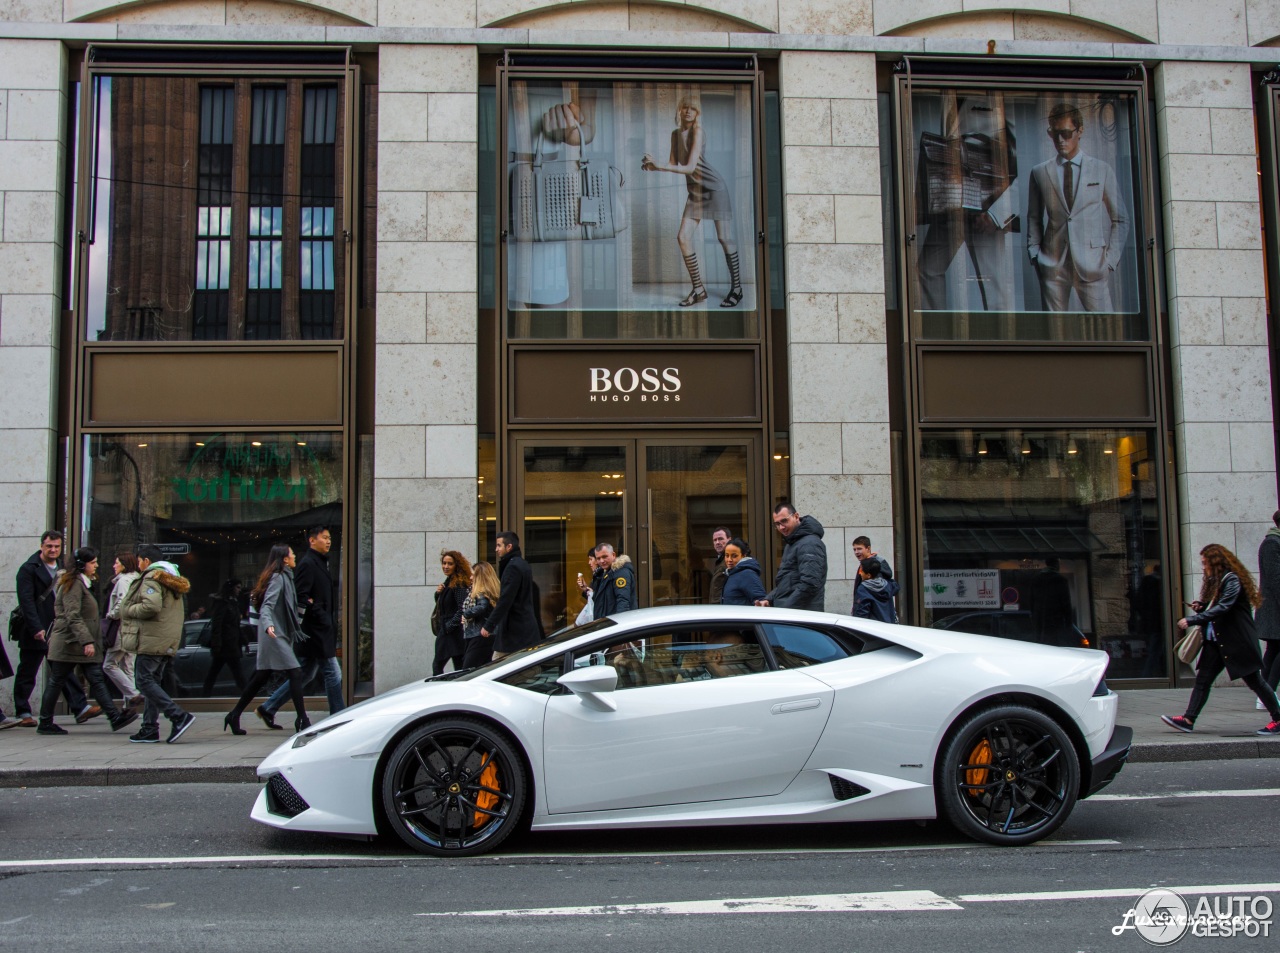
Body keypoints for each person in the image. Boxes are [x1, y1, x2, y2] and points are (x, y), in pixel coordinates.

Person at [1161, 544, 1280, 736]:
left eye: (1204, 563)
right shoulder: (1219, 581)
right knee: (1203, 680)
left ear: (1215, 562)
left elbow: (1224, 607)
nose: (1202, 567)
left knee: (1255, 682)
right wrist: (1202, 606)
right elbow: (1216, 607)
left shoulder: (1232, 579)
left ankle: (1278, 718)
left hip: (1237, 643)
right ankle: (1188, 719)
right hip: (1217, 642)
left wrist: (1192, 619)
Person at [917, 92, 1019, 313]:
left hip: (986, 204)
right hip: (952, 200)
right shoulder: (946, 91)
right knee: (927, 270)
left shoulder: (993, 94)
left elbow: (1016, 159)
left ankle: (1005, 343)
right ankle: (937, 337)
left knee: (995, 285)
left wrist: (997, 213)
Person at [1026, 102, 1129, 312]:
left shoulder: (1102, 170)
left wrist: (1110, 261)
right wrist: (1034, 253)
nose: (1060, 140)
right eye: (1054, 134)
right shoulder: (1039, 172)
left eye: (1065, 133)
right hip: (1052, 264)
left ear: (1080, 131)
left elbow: (1121, 218)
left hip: (1093, 265)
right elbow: (1033, 218)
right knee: (1055, 334)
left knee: (1105, 330)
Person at [642, 96, 743, 308]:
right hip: (695, 192)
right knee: (682, 237)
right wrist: (653, 166)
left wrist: (660, 166)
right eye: (685, 108)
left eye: (693, 109)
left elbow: (688, 168)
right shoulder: (675, 135)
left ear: (697, 114)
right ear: (679, 111)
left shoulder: (698, 132)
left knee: (724, 238)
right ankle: (698, 289)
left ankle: (737, 288)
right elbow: (672, 163)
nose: (688, 112)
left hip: (715, 188)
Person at [37, 547, 138, 736]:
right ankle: (45, 722)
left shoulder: (81, 583)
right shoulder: (73, 584)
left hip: (77, 642)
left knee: (95, 679)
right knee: (58, 680)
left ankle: (114, 718)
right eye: (93, 562)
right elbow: (72, 615)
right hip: (69, 642)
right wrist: (87, 642)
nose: (96, 565)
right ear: (81, 565)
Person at [258, 527, 345, 727]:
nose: (328, 541)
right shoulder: (308, 563)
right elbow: (301, 597)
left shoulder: (320, 562)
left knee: (306, 673)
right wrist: (319, 614)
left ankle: (268, 707)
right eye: (324, 538)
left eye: (330, 538)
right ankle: (338, 717)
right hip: (315, 630)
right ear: (312, 541)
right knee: (333, 672)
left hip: (319, 628)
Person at [7, 531, 94, 729]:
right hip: (37, 628)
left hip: (58, 628)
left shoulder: (64, 568)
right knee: (28, 669)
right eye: (49, 546)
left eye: (56, 546)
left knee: (61, 668)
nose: (53, 550)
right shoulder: (29, 569)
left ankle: (79, 707)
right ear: (41, 546)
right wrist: (35, 627)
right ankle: (23, 711)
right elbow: (26, 601)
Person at [225, 544, 310, 735]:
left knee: (260, 677)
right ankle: (302, 719)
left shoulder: (286, 577)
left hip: (277, 633)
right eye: (292, 553)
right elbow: (267, 606)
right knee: (296, 672)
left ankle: (234, 714)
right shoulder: (278, 577)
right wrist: (268, 625)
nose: (295, 555)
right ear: (284, 559)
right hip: (273, 635)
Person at [118, 544, 195, 744]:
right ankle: (149, 728)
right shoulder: (171, 578)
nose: (138, 566)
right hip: (164, 638)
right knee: (152, 682)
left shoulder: (152, 577)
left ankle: (178, 715)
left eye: (139, 561)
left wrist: (127, 610)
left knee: (143, 681)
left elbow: (151, 606)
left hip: (152, 638)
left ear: (146, 561)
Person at [756, 503, 828, 612]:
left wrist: (784, 610)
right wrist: (769, 599)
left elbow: (810, 584)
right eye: (777, 524)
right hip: (795, 614)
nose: (781, 527)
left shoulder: (809, 543)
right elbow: (787, 583)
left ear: (796, 516)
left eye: (784, 521)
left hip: (801, 616)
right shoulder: (793, 543)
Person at [482, 531, 541, 655]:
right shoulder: (522, 564)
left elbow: (506, 599)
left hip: (515, 631)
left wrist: (489, 625)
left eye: (499, 545)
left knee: (497, 667)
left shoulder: (512, 567)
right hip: (522, 629)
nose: (496, 549)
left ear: (509, 547)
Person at [102, 552, 144, 711]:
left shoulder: (123, 581)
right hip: (133, 629)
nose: (114, 566)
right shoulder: (136, 580)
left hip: (121, 628)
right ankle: (129, 706)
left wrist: (110, 615)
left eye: (116, 562)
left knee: (109, 665)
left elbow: (121, 603)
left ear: (124, 565)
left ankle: (133, 694)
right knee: (128, 666)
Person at [202, 578, 247, 697]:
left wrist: (244, 641)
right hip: (225, 645)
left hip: (231, 644)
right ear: (231, 588)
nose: (239, 590)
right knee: (235, 673)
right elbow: (217, 625)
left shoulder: (233, 603)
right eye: (237, 587)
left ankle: (205, 695)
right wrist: (216, 644)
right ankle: (247, 697)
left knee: (217, 672)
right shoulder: (222, 603)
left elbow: (236, 626)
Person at [433, 550, 472, 676]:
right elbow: (444, 605)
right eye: (444, 563)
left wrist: (449, 627)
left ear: (457, 565)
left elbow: (462, 608)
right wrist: (438, 594)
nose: (446, 566)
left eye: (450, 564)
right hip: (449, 630)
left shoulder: (459, 584)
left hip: (453, 631)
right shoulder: (448, 582)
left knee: (441, 665)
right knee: (456, 666)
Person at [1255, 512, 1280, 710]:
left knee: (1273, 650)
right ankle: (1267, 694)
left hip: (1274, 608)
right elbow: (1275, 580)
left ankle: (1264, 694)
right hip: (1275, 608)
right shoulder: (1272, 543)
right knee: (1274, 650)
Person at [461, 561, 501, 670]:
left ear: (480, 577)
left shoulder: (481, 592)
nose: (470, 577)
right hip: (486, 636)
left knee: (467, 671)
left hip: (479, 636)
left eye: (473, 574)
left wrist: (466, 614)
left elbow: (482, 607)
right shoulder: (491, 592)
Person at [1030, 557, 1074, 645]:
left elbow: (1031, 601)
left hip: (1040, 620)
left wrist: (1034, 616)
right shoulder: (1061, 580)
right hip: (1056, 620)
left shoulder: (1036, 579)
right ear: (1056, 564)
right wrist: (1068, 622)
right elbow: (1066, 603)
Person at [850, 536, 894, 614]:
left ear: (868, 548)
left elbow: (877, 593)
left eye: (859, 548)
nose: (856, 552)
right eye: (854, 549)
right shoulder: (864, 564)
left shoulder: (876, 565)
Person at [593, 543, 636, 616]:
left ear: (613, 555)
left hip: (615, 624)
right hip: (607, 623)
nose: (601, 561)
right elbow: (601, 601)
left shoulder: (621, 573)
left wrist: (620, 626)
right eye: (598, 558)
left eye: (604, 557)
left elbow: (623, 603)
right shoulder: (607, 573)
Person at [720, 538, 766, 606]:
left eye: (734, 556)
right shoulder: (731, 573)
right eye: (727, 555)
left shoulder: (748, 574)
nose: (729, 559)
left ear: (744, 555)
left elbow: (761, 601)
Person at [853, 557, 899, 623]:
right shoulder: (888, 585)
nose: (860, 573)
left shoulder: (863, 589)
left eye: (861, 571)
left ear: (868, 575)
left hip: (874, 629)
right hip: (890, 626)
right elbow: (896, 587)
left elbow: (862, 613)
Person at [574, 548, 598, 625]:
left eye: (591, 559)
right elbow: (591, 600)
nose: (589, 563)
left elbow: (598, 600)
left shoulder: (602, 577)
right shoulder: (596, 577)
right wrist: (585, 589)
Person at [708, 527, 731, 605]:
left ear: (729, 540)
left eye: (720, 539)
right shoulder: (720, 561)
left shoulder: (731, 562)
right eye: (715, 540)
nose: (717, 542)